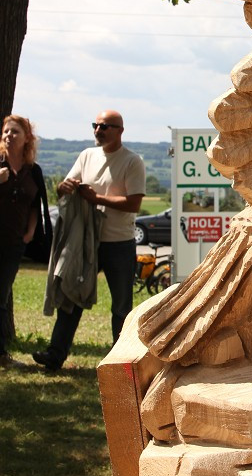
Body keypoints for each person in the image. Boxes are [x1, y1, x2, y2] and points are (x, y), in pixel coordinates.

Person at [33, 110, 145, 371]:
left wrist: (98, 200)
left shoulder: (132, 161)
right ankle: (55, 355)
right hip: (86, 242)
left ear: (120, 131)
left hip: (119, 243)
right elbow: (64, 185)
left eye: (105, 126)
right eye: (96, 125)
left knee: (121, 307)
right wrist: (64, 187)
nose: (98, 130)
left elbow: (134, 203)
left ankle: (121, 362)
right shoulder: (87, 155)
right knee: (71, 296)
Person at [0, 115, 51, 369]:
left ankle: (0, 355)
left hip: (13, 244)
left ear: (27, 138)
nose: (9, 136)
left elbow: (35, 205)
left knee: (1, 295)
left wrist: (31, 232)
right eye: (6, 132)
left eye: (15, 132)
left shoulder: (33, 170)